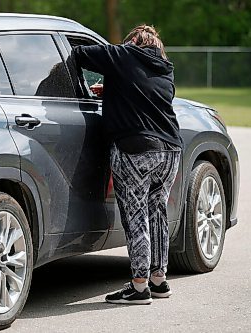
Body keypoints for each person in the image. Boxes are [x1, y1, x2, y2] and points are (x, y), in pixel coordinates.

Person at [72, 24, 183, 305]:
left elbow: (81, 54)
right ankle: (158, 281)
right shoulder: (165, 72)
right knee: (157, 213)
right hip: (170, 150)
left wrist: (116, 61)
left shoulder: (124, 55)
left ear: (133, 41)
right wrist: (112, 90)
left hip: (135, 149)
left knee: (136, 217)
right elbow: (142, 98)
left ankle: (138, 286)